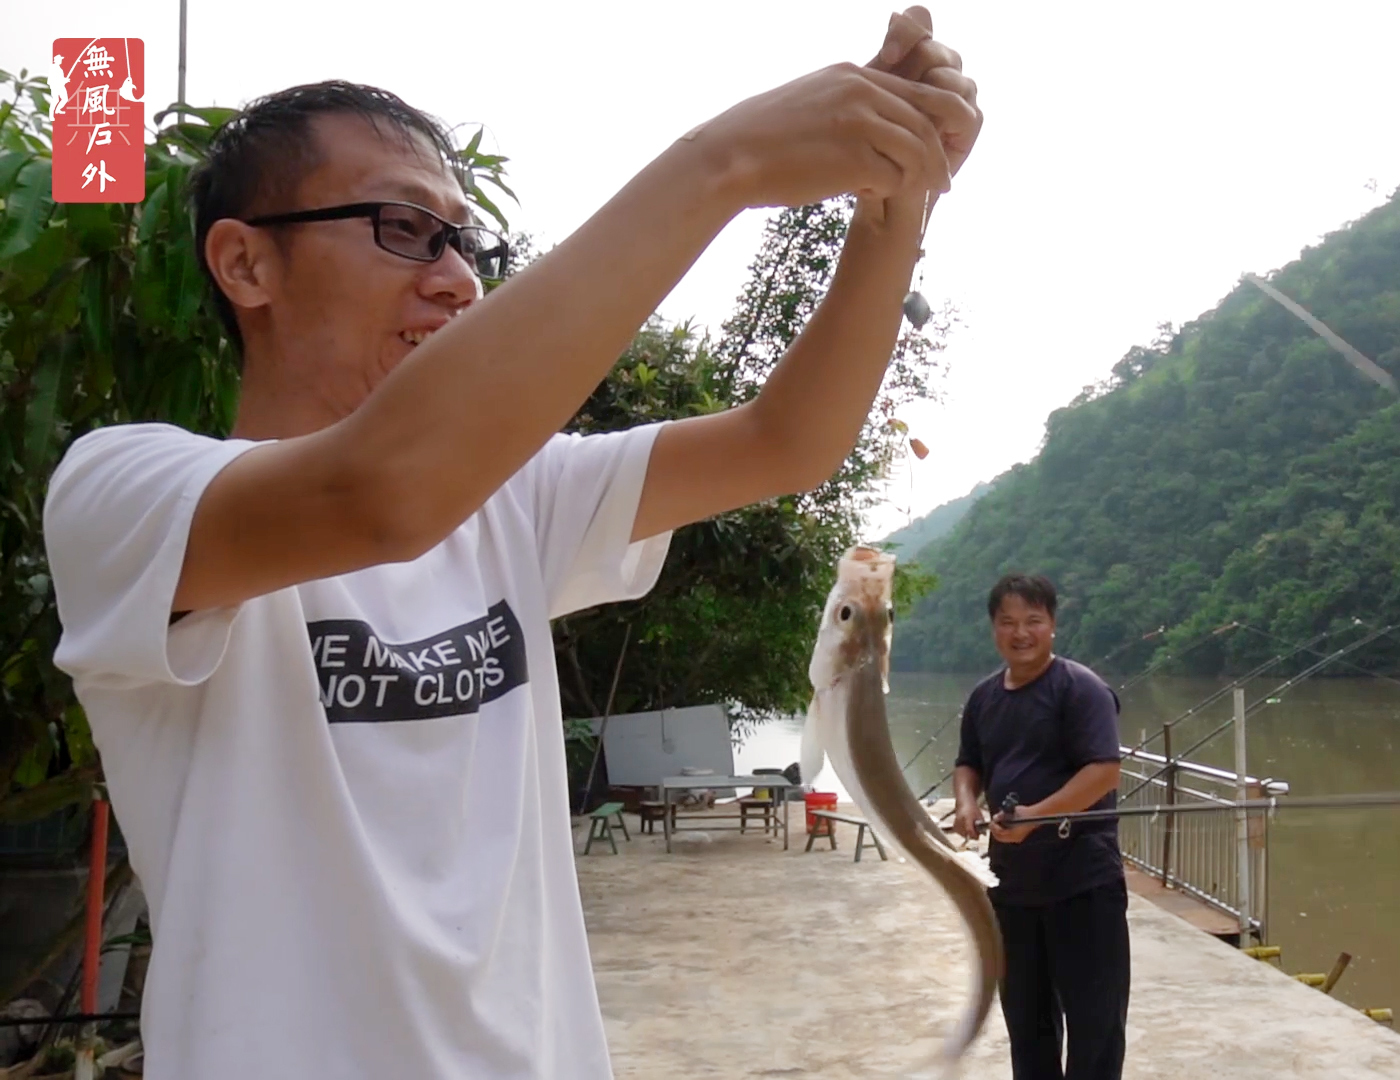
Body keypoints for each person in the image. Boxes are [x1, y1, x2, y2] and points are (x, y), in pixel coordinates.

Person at [42, 10, 981, 1079]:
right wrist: (721, 164)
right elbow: (381, 490)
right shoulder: (128, 493)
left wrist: (895, 200)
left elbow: (787, 440)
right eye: (402, 228)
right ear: (245, 263)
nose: (454, 278)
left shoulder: (510, 497)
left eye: (463, 241)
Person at [952, 574, 1130, 1080]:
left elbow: (1104, 770)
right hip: (1011, 889)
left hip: (1083, 886)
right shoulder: (985, 697)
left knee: (1095, 1028)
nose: (1020, 632)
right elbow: (969, 763)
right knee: (1028, 1029)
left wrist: (1038, 815)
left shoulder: (1081, 689)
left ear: (1052, 625)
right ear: (993, 629)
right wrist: (967, 803)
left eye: (1033, 620)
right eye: (1008, 622)